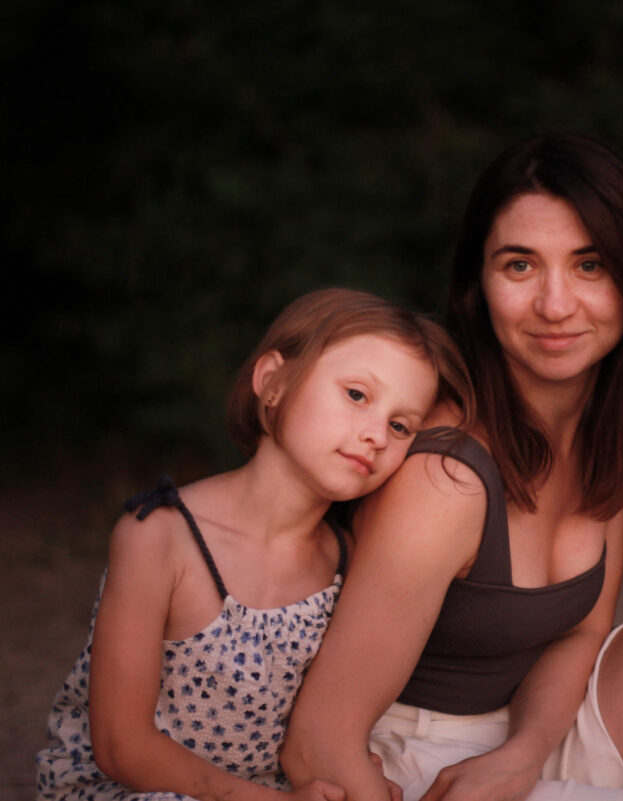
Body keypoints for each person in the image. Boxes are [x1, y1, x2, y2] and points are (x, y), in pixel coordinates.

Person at [282, 131, 623, 801]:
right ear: (477, 286)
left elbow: (580, 632)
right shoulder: (447, 476)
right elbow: (317, 741)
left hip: (528, 732)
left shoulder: (604, 431)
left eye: (590, 265)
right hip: (409, 759)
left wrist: (523, 753)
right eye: (520, 266)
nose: (555, 304)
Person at [35, 288, 474, 801]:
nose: (377, 434)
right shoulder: (159, 535)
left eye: (401, 425)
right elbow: (121, 747)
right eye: (357, 395)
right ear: (273, 382)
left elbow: (335, 715)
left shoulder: (349, 559)